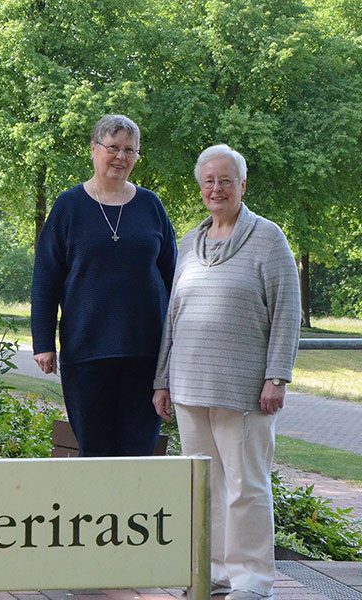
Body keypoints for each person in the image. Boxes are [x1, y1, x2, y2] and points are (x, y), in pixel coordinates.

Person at [152, 144, 301, 600]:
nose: (217, 188)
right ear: (201, 188)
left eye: (226, 180)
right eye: (209, 181)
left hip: (244, 390)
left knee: (246, 487)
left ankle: (252, 581)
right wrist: (162, 379)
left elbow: (287, 310)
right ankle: (212, 572)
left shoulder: (268, 237)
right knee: (206, 487)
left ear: (242, 184)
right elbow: (172, 315)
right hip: (190, 387)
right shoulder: (189, 243)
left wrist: (277, 375)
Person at [31, 114, 177, 456]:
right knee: (95, 452)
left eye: (130, 150)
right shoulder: (69, 207)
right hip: (87, 352)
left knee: (138, 453)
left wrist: (178, 345)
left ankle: (134, 511)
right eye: (113, 147)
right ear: (94, 150)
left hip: (146, 353)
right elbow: (46, 277)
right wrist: (43, 342)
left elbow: (174, 278)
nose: (121, 157)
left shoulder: (151, 206)